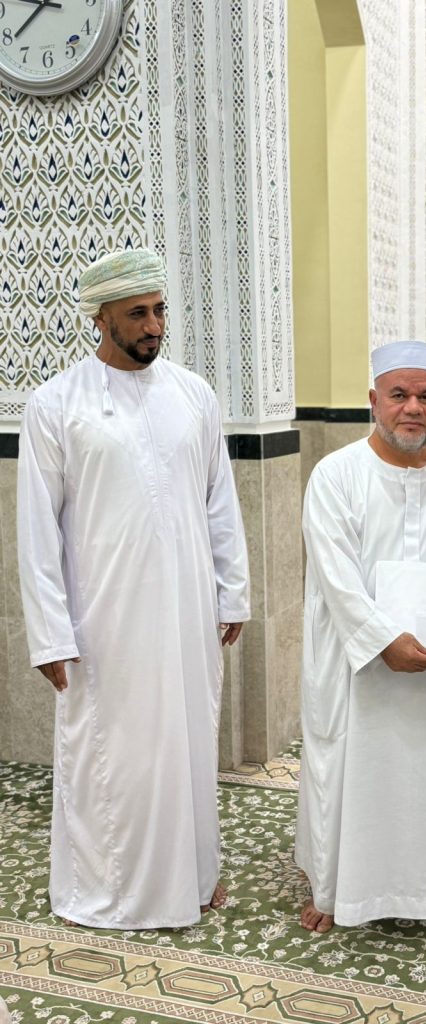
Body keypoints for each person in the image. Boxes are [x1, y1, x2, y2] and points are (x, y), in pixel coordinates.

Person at [17, 248, 250, 930]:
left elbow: (219, 500)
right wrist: (51, 634)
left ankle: (194, 875)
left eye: (159, 311)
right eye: (137, 314)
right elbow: (38, 530)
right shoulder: (56, 404)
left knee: (188, 742)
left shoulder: (193, 394)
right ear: (101, 318)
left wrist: (232, 591)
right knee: (111, 753)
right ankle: (108, 891)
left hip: (187, 610)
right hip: (104, 620)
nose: (154, 327)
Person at [295, 340, 426, 932]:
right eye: (399, 395)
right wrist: (383, 641)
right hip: (356, 663)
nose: (412, 408)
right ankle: (340, 889)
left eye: (425, 396)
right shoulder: (336, 473)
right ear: (373, 400)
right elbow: (336, 576)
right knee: (348, 769)